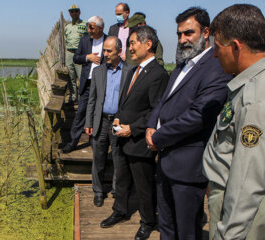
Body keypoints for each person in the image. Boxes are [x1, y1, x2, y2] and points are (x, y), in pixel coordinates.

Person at [145, 7, 232, 239]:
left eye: (188, 33)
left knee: (187, 232)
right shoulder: (182, 65)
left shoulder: (216, 67)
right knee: (166, 227)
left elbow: (198, 116)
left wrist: (158, 137)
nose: (182, 40)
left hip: (188, 166)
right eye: (179, 34)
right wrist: (151, 125)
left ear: (206, 32)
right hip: (165, 162)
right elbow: (163, 100)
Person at [203, 4, 265, 239]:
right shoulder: (247, 85)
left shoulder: (255, 98)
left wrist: (228, 234)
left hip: (236, 218)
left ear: (236, 47)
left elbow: (247, 182)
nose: (215, 54)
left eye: (218, 47)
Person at [101, 26, 169, 240]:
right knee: (120, 179)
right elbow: (128, 101)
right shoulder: (134, 70)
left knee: (143, 185)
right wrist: (120, 117)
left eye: (132, 43)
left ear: (148, 44)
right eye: (129, 43)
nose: (129, 47)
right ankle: (120, 211)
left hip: (139, 140)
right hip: (122, 137)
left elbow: (155, 110)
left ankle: (148, 221)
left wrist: (133, 128)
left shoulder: (158, 74)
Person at [85, 36, 132, 207]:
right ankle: (98, 191)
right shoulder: (98, 71)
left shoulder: (129, 71)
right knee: (98, 158)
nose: (105, 54)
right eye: (104, 50)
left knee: (119, 160)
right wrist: (89, 122)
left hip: (118, 122)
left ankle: (115, 190)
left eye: (109, 51)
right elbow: (92, 99)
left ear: (119, 51)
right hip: (101, 122)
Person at [62, 16, 107, 153]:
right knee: (81, 111)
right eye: (88, 27)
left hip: (102, 83)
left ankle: (94, 141)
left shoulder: (108, 40)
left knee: (98, 112)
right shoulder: (84, 40)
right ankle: (73, 142)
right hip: (87, 82)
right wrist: (88, 57)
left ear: (100, 28)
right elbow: (76, 58)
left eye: (91, 28)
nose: (89, 30)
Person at [64, 4, 88, 104]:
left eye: (76, 11)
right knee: (71, 76)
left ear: (79, 12)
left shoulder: (85, 24)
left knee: (81, 76)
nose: (74, 13)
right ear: (69, 13)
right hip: (69, 53)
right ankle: (73, 98)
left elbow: (89, 38)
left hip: (80, 53)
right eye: (72, 11)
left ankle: (82, 98)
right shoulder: (67, 27)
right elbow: (66, 40)